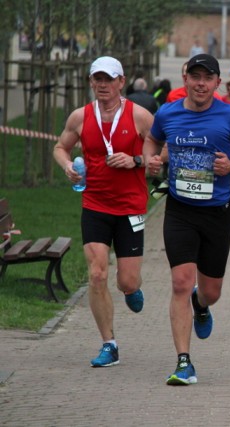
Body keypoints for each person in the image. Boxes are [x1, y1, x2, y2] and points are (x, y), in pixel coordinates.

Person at [143, 53, 230, 385]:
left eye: (206, 78)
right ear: (185, 80)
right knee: (180, 282)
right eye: (194, 77)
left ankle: (201, 304)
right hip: (180, 210)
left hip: (217, 212)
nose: (200, 83)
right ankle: (184, 361)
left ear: (217, 83)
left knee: (210, 292)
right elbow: (153, 139)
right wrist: (150, 160)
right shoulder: (167, 113)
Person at [53, 56, 154, 367]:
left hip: (131, 207)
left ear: (121, 82)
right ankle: (109, 344)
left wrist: (135, 161)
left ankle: (130, 289)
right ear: (91, 82)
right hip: (95, 204)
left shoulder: (140, 116)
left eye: (109, 79)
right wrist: (68, 166)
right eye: (97, 79)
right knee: (97, 275)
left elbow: (164, 152)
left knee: (128, 281)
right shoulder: (80, 117)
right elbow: (60, 147)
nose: (102, 85)